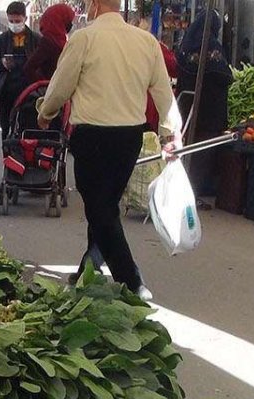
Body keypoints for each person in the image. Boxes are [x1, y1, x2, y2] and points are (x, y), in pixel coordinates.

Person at [37, 0, 180, 300]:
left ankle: (131, 281)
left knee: (100, 210)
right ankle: (88, 269)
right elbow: (164, 93)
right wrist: (172, 132)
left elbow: (61, 86)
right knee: (105, 205)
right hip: (130, 138)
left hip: (92, 137)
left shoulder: (84, 39)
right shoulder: (146, 42)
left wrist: (45, 111)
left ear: (95, 4)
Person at [176, 9, 232, 204]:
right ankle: (191, 194)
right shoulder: (211, 46)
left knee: (189, 151)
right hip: (209, 110)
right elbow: (225, 76)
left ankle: (185, 190)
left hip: (188, 107)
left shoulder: (186, 45)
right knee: (202, 154)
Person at [0, 1, 38, 135]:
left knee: (25, 127)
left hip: (28, 91)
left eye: (18, 20)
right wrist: (2, 63)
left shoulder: (36, 39)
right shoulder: (1, 40)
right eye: (11, 21)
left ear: (25, 19)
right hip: (7, 89)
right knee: (5, 128)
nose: (14, 24)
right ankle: (6, 153)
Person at [24, 3, 74, 85]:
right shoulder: (48, 42)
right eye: (68, 20)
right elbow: (29, 68)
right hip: (50, 91)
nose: (70, 24)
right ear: (59, 20)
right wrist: (44, 85)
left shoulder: (59, 39)